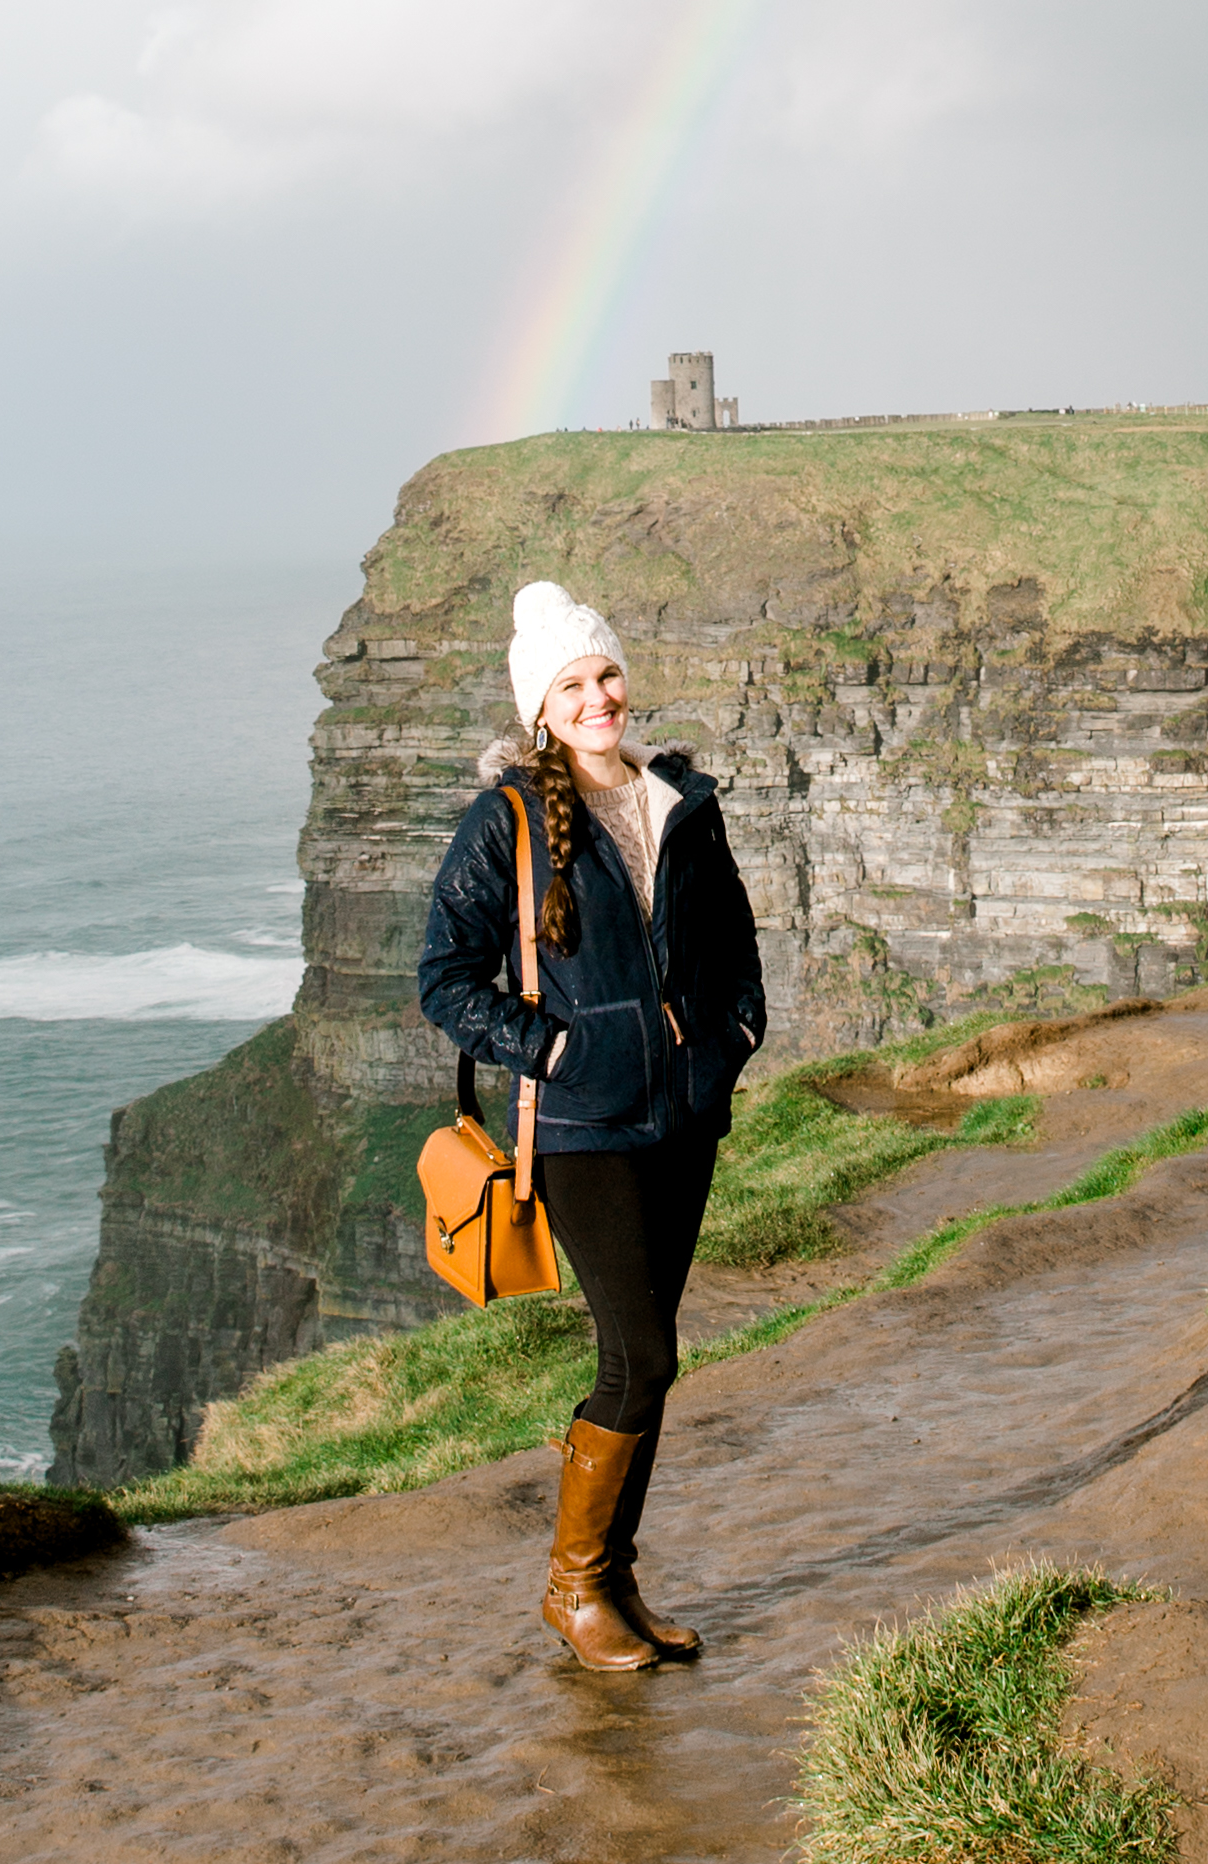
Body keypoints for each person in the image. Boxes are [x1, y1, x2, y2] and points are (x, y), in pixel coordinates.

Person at [418, 579, 765, 1671]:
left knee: (648, 1365)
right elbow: (444, 978)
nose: (597, 695)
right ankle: (572, 1589)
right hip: (579, 1126)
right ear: (539, 708)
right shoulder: (506, 820)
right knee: (640, 1355)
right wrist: (561, 1050)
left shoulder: (679, 803)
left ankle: (610, 1583)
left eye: (605, 672)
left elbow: (734, 957)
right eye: (571, 684)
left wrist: (729, 1043)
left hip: (681, 1118)